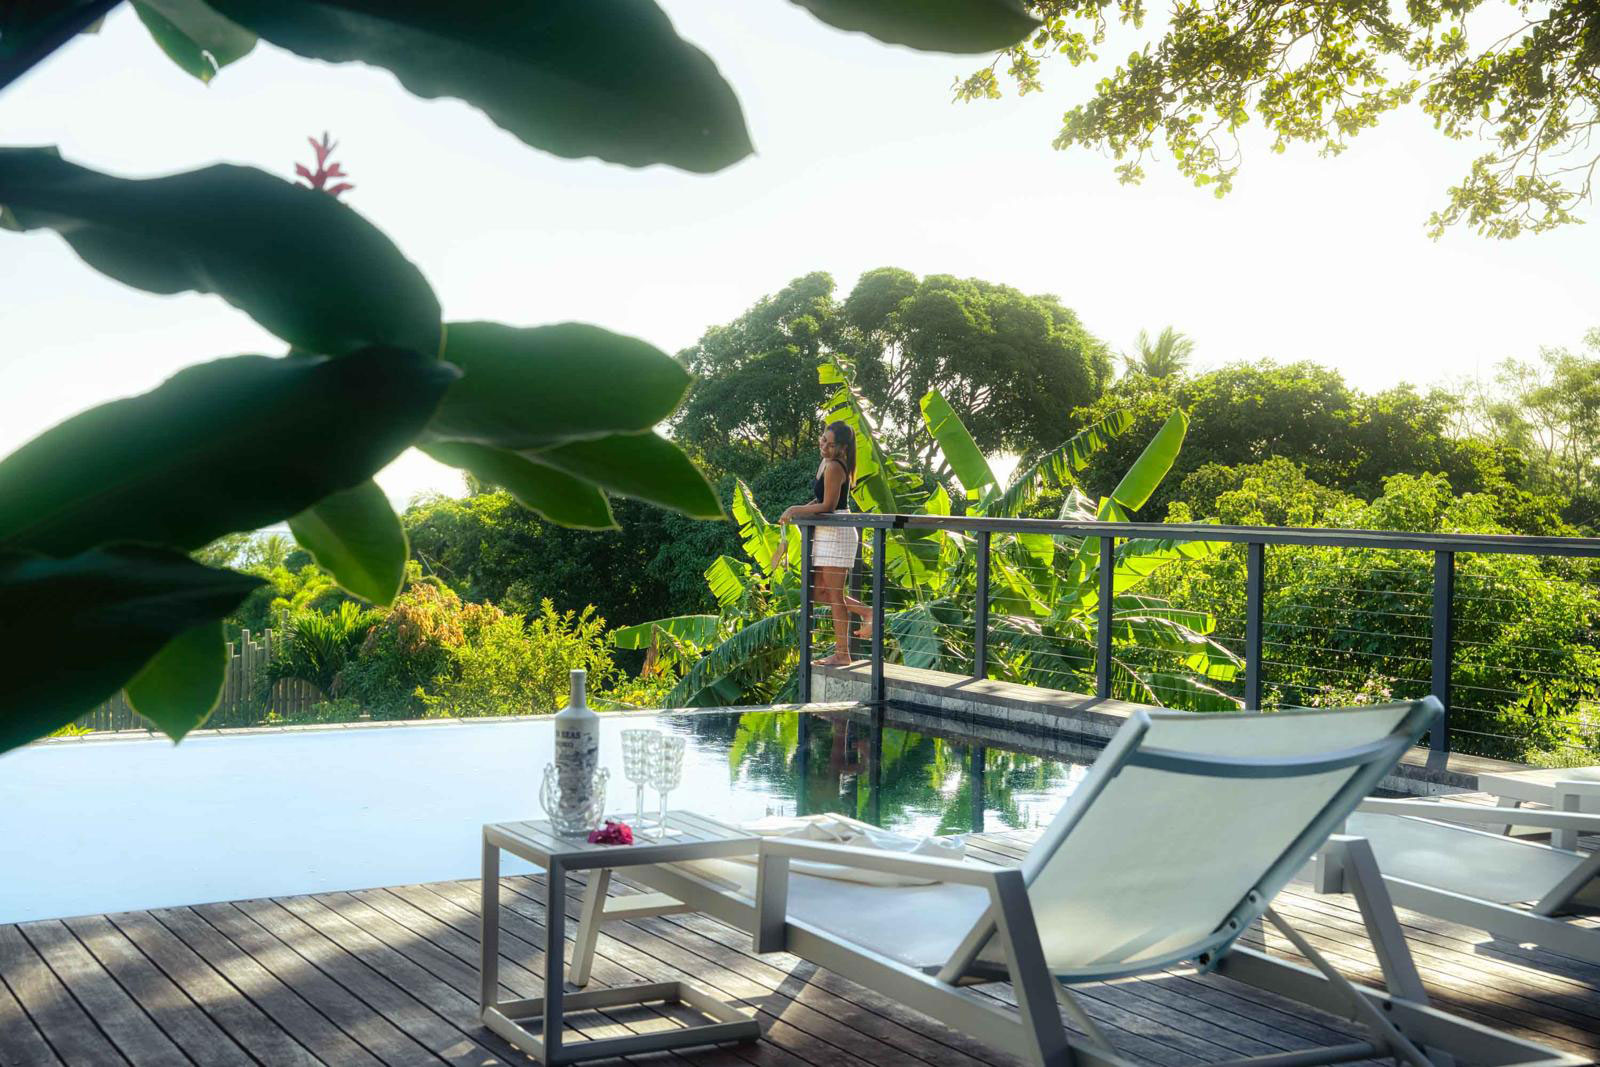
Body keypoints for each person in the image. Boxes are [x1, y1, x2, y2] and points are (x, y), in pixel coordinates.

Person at [772, 421, 871, 666]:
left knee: (835, 596)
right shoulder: (825, 462)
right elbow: (819, 500)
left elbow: (828, 506)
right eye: (823, 440)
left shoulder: (835, 466)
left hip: (837, 531)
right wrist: (797, 511)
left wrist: (794, 509)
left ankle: (842, 653)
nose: (825, 446)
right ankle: (867, 612)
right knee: (817, 592)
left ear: (843, 448)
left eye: (831, 444)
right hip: (825, 531)